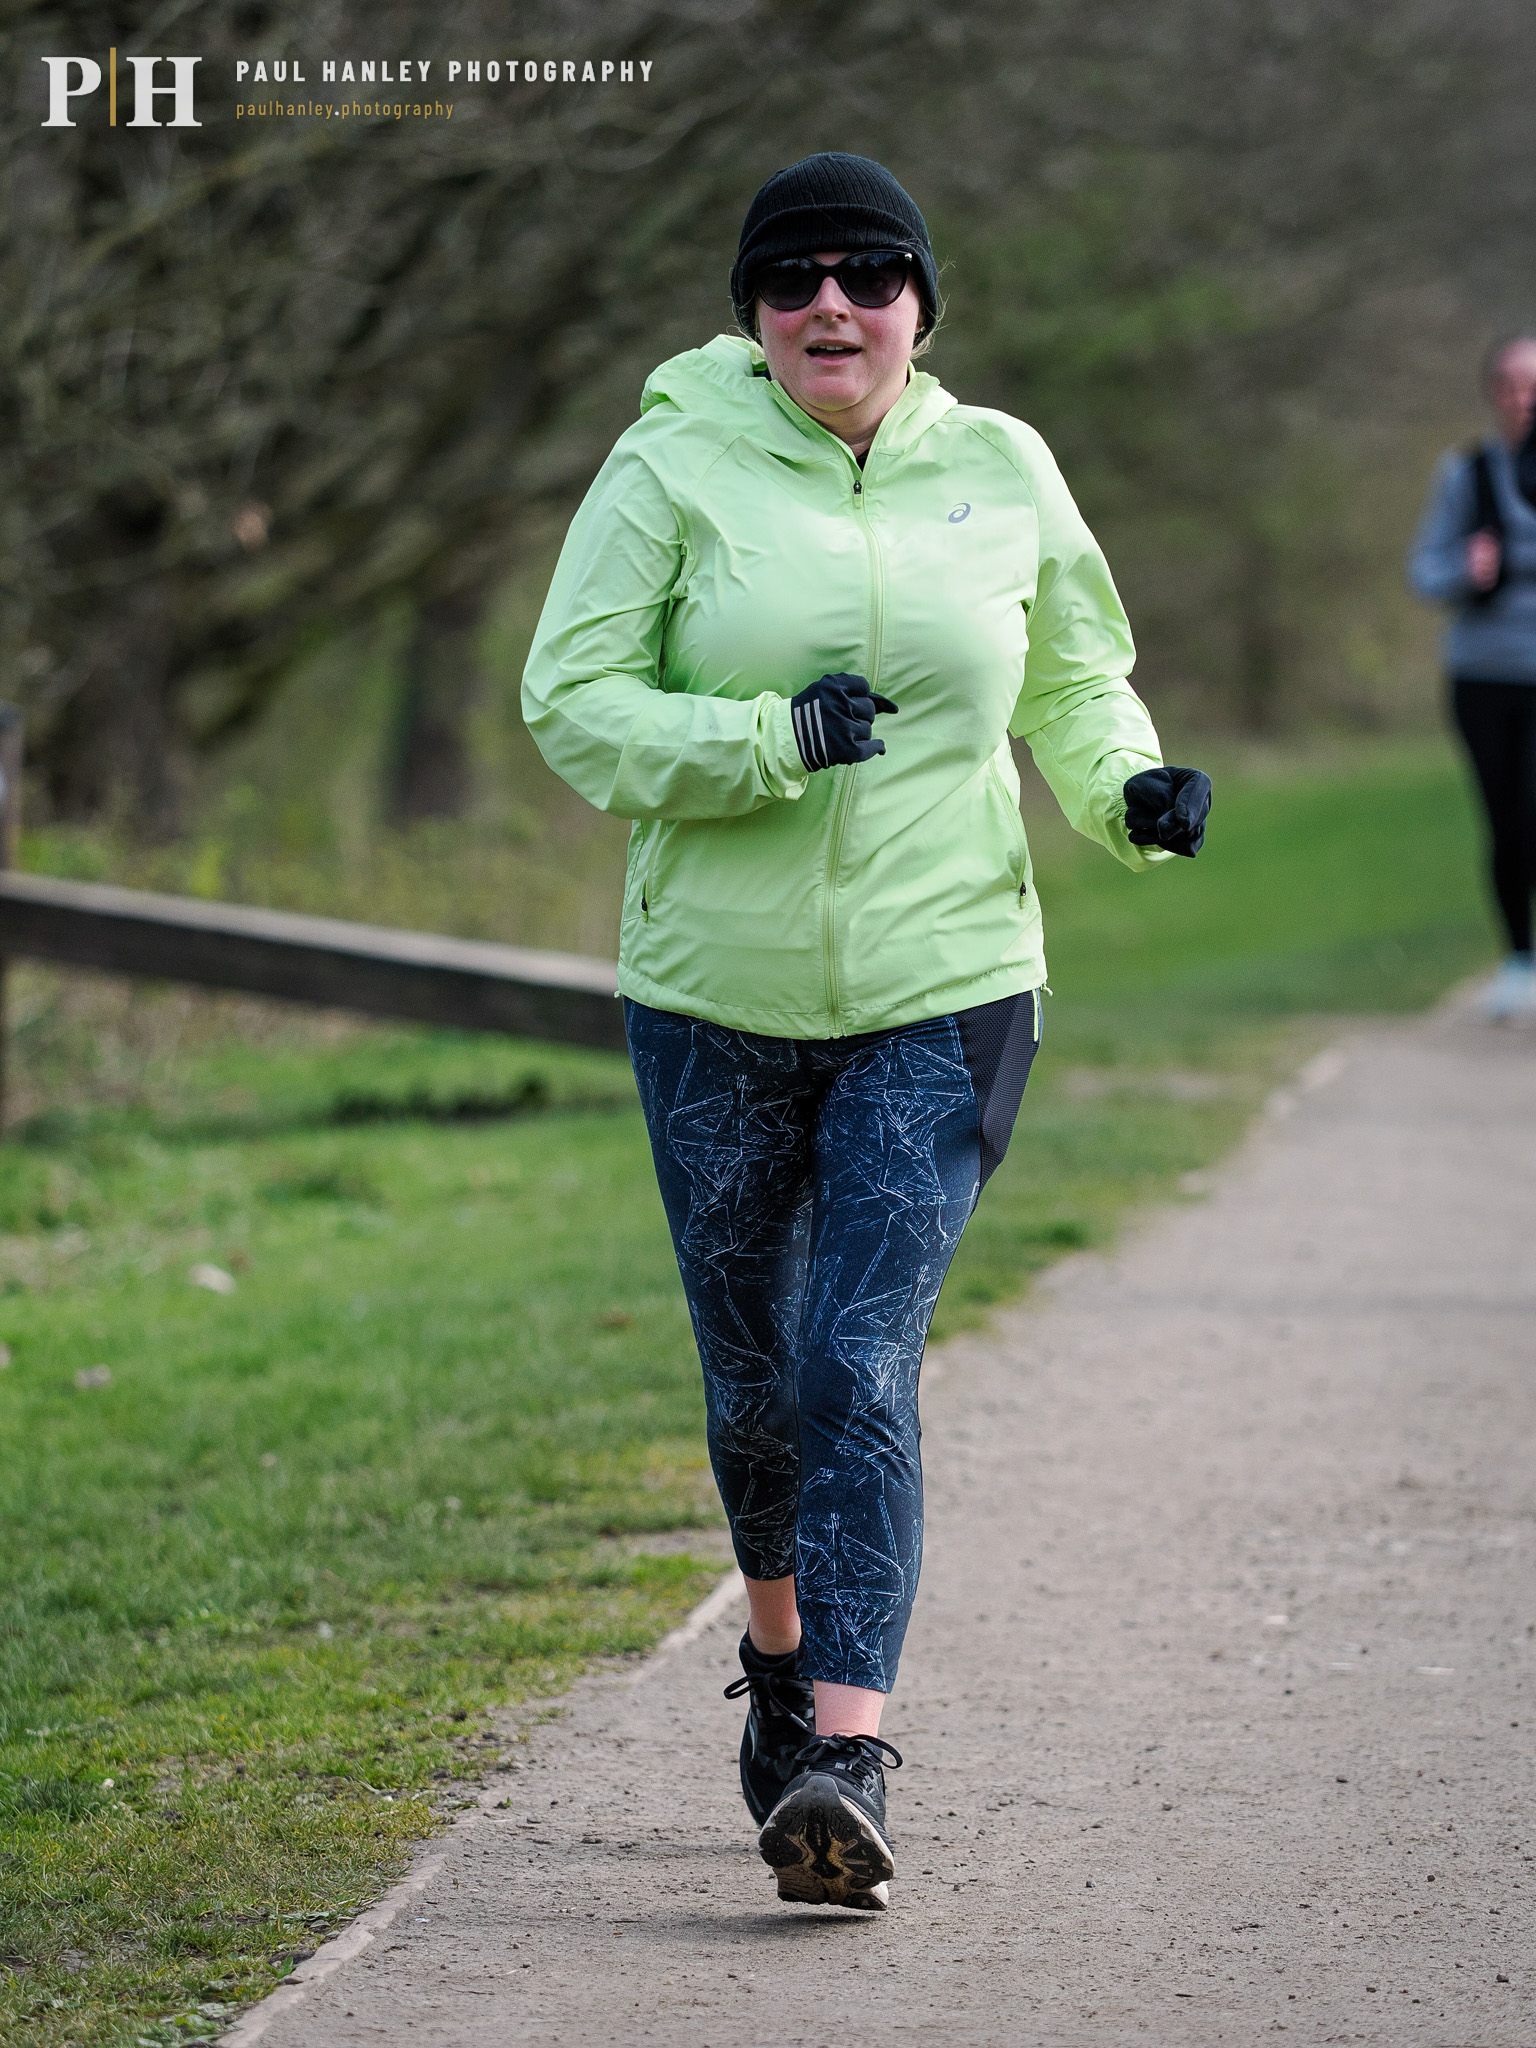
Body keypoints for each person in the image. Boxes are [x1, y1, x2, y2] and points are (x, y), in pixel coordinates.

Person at [521, 152, 1211, 1912]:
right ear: (751, 310)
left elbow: (1068, 672)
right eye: (795, 277)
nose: (834, 304)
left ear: (920, 299)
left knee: (857, 1354)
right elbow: (574, 701)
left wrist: (1129, 790)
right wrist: (764, 738)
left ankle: (844, 1750)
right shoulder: (669, 460)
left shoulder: (1003, 466)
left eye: (871, 273)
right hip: (713, 996)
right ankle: (772, 1654)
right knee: (756, 1384)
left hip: (943, 977)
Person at [1409, 335, 1536, 1021]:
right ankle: (1519, 960)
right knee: (1507, 822)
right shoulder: (1466, 474)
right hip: (1484, 677)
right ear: (1494, 392)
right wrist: (1466, 569)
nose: (1525, 398)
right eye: (1512, 384)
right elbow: (1422, 571)